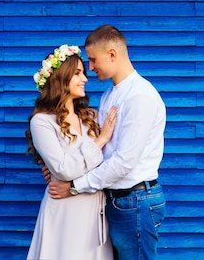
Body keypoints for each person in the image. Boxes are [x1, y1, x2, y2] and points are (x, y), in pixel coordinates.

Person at [46, 25, 167, 260]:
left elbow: (123, 162)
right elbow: (96, 147)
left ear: (112, 54)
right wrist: (58, 168)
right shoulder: (111, 95)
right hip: (116, 201)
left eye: (92, 60)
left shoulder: (139, 96)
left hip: (135, 202)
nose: (90, 68)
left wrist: (73, 186)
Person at [26, 44, 117, 260]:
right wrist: (101, 140)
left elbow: (110, 162)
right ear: (60, 78)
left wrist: (70, 169)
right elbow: (64, 170)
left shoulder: (92, 117)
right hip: (64, 211)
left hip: (94, 213)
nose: (85, 78)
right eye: (77, 73)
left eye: (84, 72)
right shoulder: (42, 122)